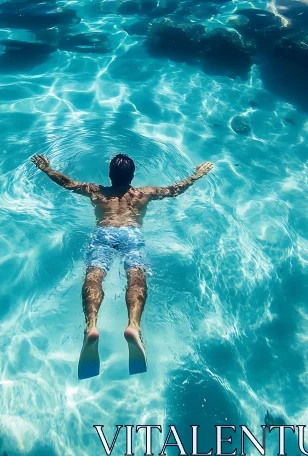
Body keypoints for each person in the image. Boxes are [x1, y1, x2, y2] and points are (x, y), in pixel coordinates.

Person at [31, 152, 213, 379]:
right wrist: (197, 175)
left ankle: (92, 326)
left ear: (109, 175)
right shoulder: (143, 193)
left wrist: (47, 169)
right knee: (136, 276)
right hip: (132, 234)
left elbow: (67, 183)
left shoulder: (97, 191)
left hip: (103, 233)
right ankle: (134, 326)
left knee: (94, 276)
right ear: (132, 176)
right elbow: (175, 190)